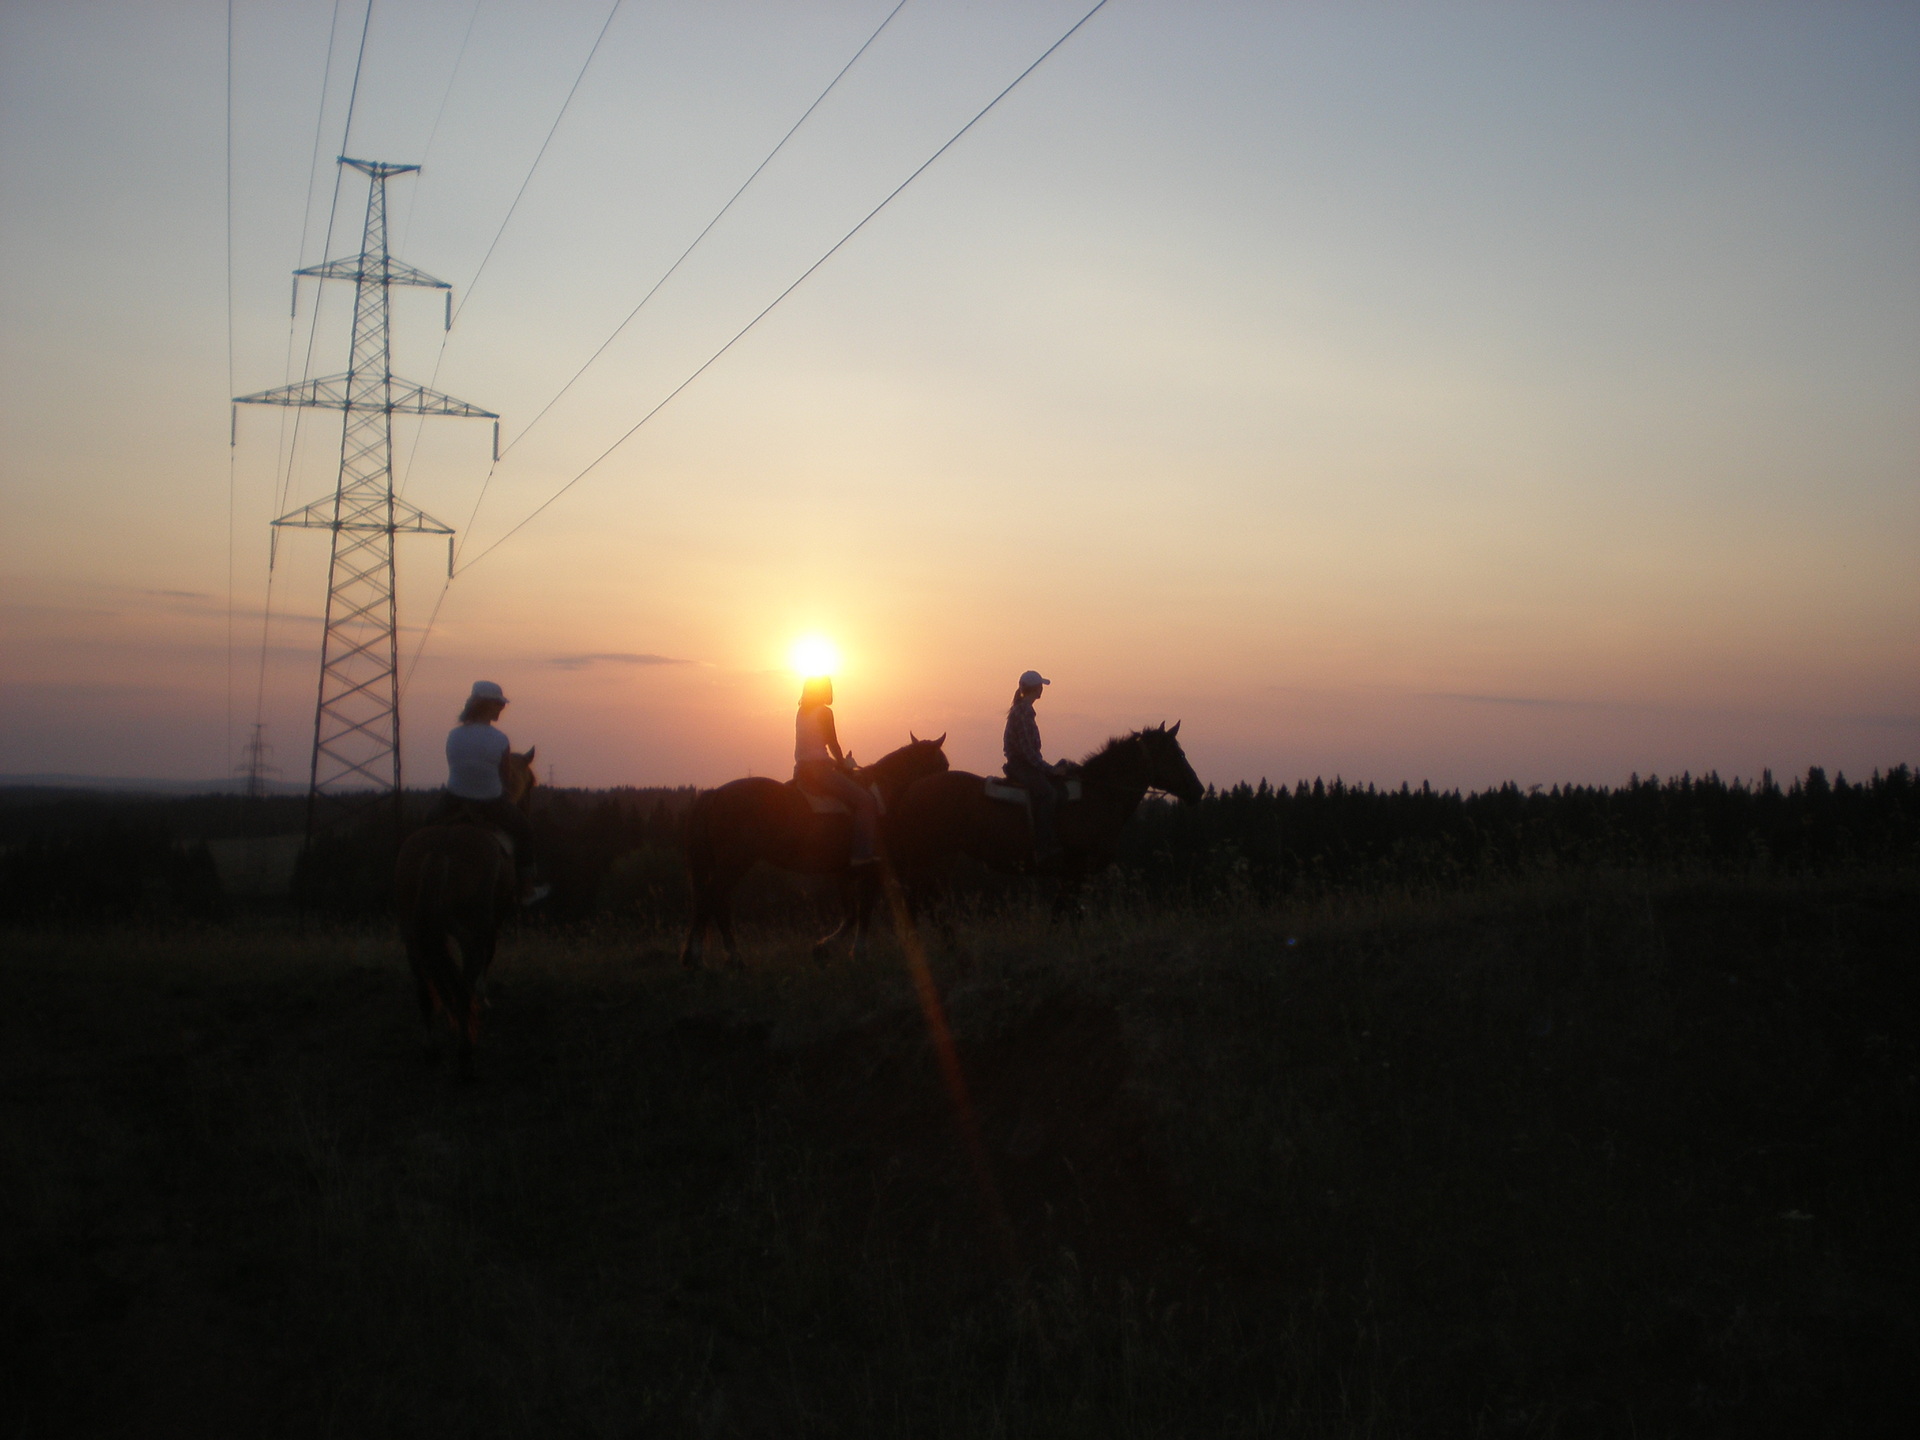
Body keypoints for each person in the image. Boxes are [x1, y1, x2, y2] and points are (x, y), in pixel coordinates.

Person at [435, 680, 549, 904]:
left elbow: (456, 767)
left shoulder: (453, 735)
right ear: (488, 705)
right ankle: (527, 889)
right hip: (490, 801)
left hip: (453, 799)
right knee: (525, 831)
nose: (502, 708)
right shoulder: (500, 739)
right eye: (500, 704)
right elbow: (504, 778)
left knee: (426, 826)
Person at [793, 675, 878, 866]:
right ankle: (861, 856)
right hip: (820, 771)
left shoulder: (802, 711)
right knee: (866, 801)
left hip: (801, 770)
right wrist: (844, 764)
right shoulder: (824, 712)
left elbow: (811, 748)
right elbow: (833, 743)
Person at [1004, 669, 1068, 863]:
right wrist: (1050, 769)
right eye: (1041, 686)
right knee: (1047, 794)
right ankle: (1043, 846)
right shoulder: (1023, 712)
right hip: (1021, 765)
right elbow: (1028, 752)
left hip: (1024, 763)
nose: (1042, 690)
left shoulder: (1023, 710)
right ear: (1036, 688)